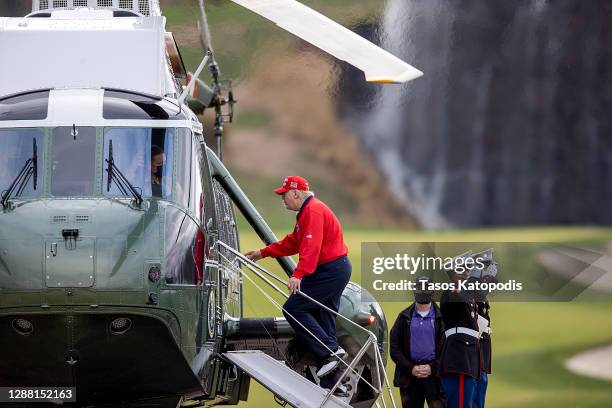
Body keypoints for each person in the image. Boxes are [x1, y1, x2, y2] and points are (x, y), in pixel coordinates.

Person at [245, 176, 351, 387]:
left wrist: (298, 274)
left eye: (284, 195)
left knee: (294, 308)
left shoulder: (313, 211)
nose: (282, 200)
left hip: (330, 270)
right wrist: (262, 253)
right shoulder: (307, 212)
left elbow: (311, 248)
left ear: (296, 193)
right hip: (335, 269)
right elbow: (293, 242)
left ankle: (331, 351)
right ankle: (334, 382)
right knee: (323, 320)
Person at [389, 276, 444, 408]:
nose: (423, 291)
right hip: (410, 378)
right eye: (420, 288)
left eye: (427, 288)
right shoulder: (403, 317)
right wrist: (410, 368)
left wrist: (433, 367)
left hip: (435, 378)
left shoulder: (441, 318)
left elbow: (447, 348)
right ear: (414, 290)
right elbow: (394, 347)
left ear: (433, 290)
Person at [439, 251, 481, 408]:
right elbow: (457, 297)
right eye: (460, 269)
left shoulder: (463, 293)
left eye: (467, 270)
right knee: (460, 400)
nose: (465, 273)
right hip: (460, 353)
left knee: (467, 399)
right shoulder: (452, 293)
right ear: (451, 273)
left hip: (467, 354)